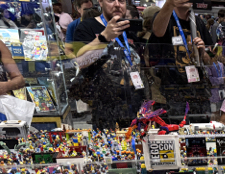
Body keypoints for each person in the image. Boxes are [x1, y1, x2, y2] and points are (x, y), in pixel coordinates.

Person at [72, 0, 144, 129]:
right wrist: (104, 36)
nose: (117, 4)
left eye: (121, 1)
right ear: (100, 2)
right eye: (111, 0)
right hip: (104, 107)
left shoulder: (128, 29)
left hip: (134, 103)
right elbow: (81, 62)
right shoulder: (87, 27)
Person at [150, 0, 213, 117]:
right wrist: (170, 3)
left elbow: (211, 61)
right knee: (175, 126)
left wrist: (203, 53)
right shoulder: (164, 17)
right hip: (171, 91)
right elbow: (158, 32)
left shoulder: (197, 21)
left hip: (197, 91)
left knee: (202, 126)